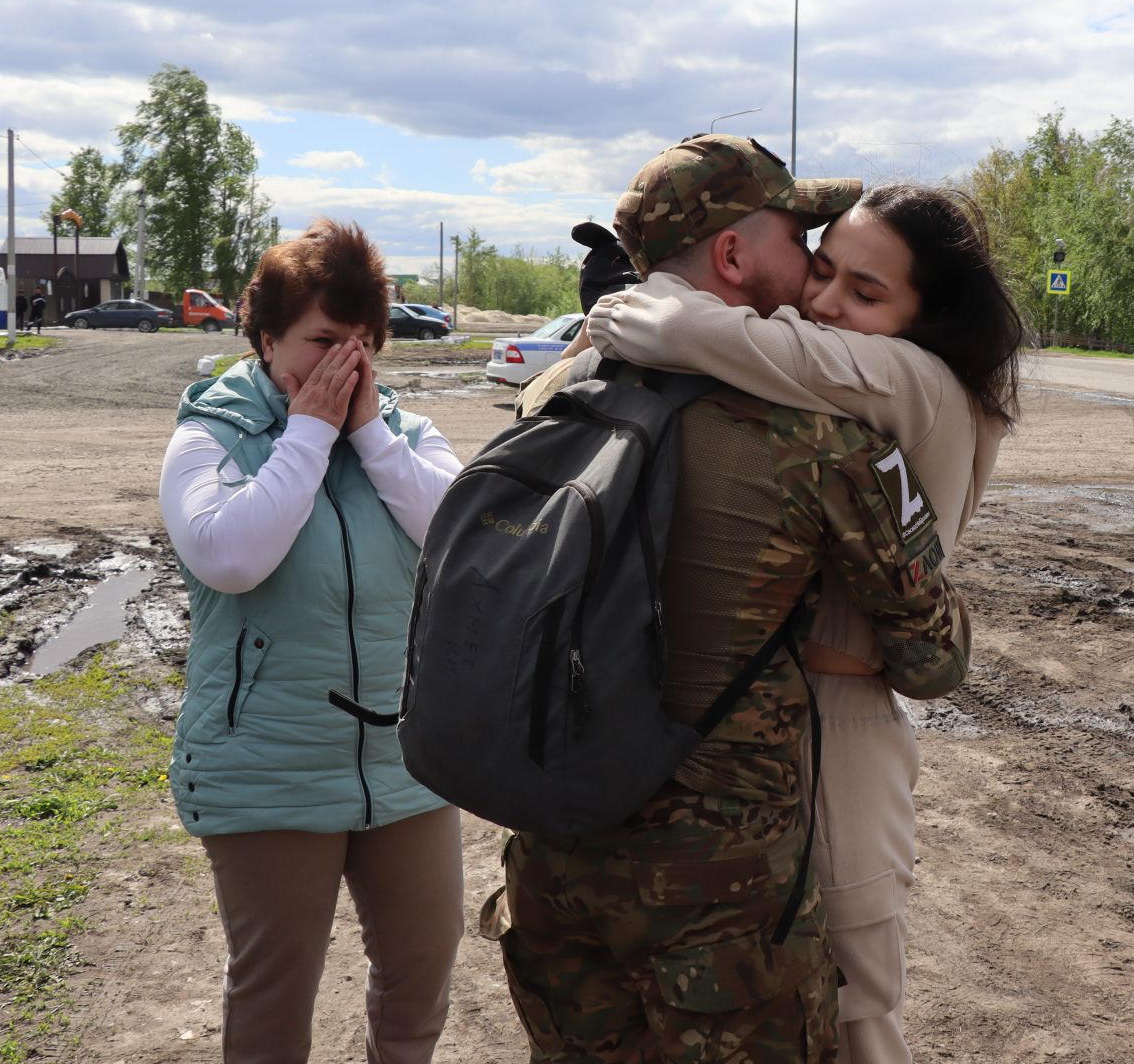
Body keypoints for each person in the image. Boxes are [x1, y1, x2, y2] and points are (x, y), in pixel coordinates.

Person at [498, 135, 972, 1063]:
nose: (815, 284)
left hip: (557, 831)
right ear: (732, 256)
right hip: (722, 865)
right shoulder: (817, 432)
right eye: (805, 246)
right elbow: (931, 657)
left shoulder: (560, 387)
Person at [159, 219, 465, 1063]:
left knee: (422, 968)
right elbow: (232, 556)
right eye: (323, 341)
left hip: (404, 761)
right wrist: (309, 433)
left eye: (364, 344)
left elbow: (459, 537)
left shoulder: (403, 433)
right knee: (275, 994)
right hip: (270, 764)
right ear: (266, 340)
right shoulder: (209, 436)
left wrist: (367, 433)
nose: (346, 365)